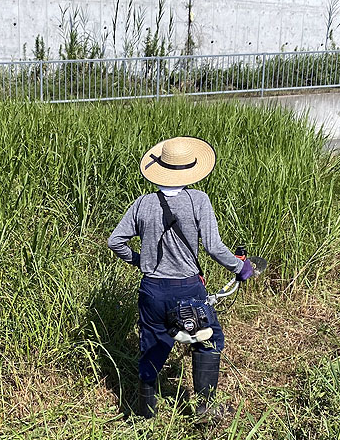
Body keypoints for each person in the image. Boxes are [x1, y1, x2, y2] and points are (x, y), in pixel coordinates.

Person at [107, 136, 255, 420]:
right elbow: (213, 247)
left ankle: (144, 416)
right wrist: (241, 269)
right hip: (188, 288)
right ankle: (205, 408)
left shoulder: (142, 203)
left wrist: (140, 261)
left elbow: (116, 241)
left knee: (151, 345)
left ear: (159, 168)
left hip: (151, 289)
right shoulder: (198, 200)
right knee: (209, 339)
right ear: (191, 170)